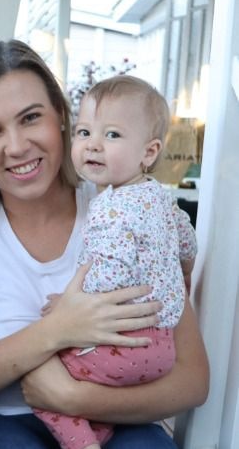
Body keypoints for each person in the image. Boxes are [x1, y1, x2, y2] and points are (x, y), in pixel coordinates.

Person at [0, 39, 208, 449]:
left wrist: (73, 398)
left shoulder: (125, 206)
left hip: (116, 419)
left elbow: (192, 381)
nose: (16, 146)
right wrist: (57, 330)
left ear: (62, 117)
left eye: (30, 118)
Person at [30, 75, 198, 449]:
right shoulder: (161, 199)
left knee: (43, 379)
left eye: (112, 136)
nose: (93, 145)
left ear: (149, 152)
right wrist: (183, 269)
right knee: (92, 401)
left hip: (118, 348)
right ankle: (99, 434)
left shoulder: (109, 206)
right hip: (161, 350)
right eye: (84, 131)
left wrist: (71, 309)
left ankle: (83, 445)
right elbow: (187, 241)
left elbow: (111, 270)